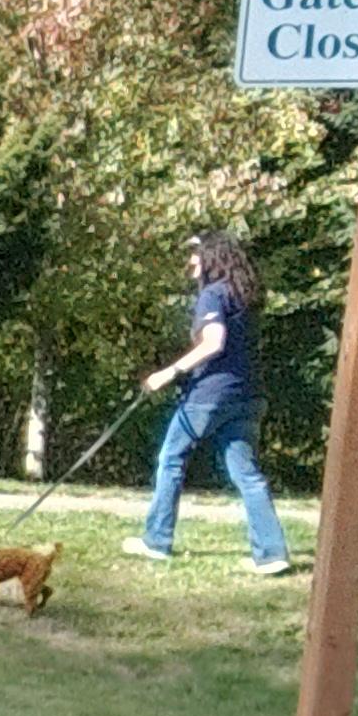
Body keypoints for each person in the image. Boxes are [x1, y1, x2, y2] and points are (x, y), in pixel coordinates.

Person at [128, 231, 291, 574]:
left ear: (211, 259)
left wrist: (167, 373)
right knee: (247, 474)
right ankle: (272, 554)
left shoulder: (212, 295)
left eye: (195, 256)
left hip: (210, 396)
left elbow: (214, 343)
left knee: (171, 458)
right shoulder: (245, 298)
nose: (190, 262)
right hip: (248, 395)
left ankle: (157, 540)